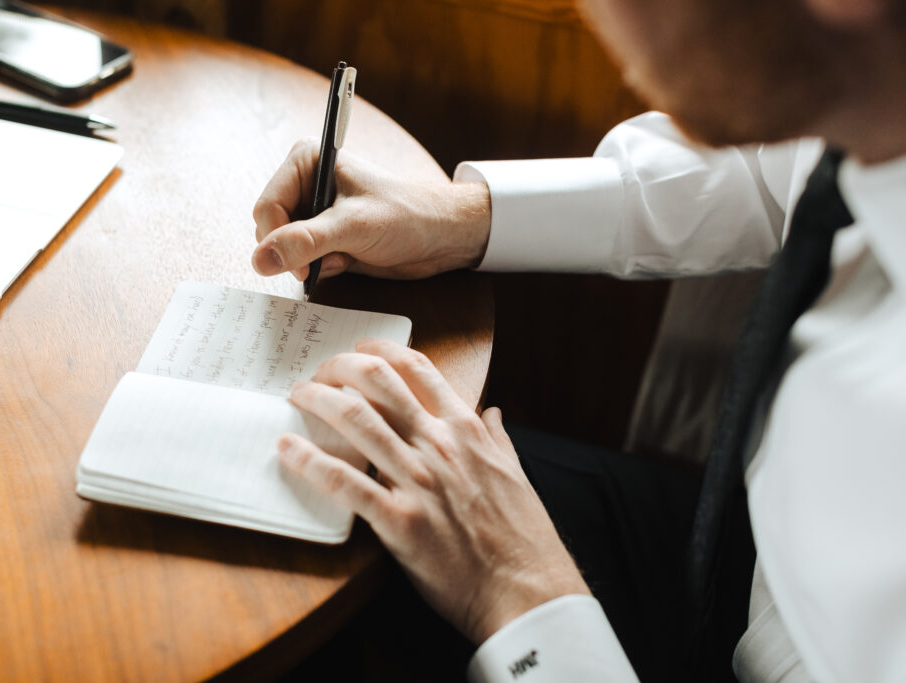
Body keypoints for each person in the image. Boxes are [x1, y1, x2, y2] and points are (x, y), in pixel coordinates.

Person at [250, 0, 906, 680]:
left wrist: (523, 592)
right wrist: (466, 218)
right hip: (742, 551)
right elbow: (781, 175)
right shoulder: (863, 95)